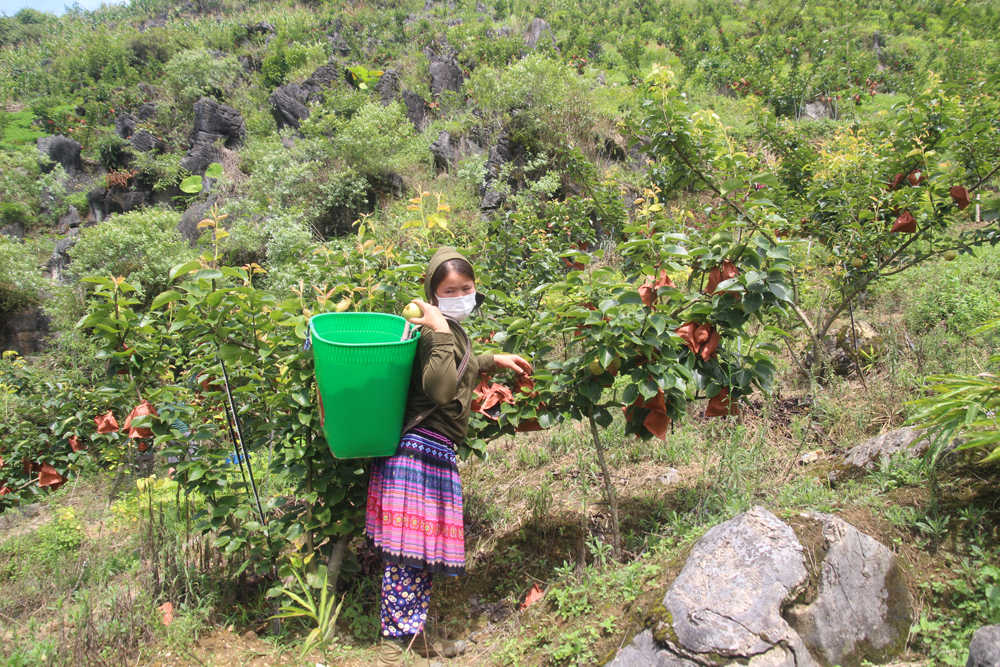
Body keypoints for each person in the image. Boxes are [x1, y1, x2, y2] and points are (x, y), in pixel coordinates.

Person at [368, 248, 532, 667]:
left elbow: (458, 366)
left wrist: (491, 360)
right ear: (432, 294)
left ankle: (414, 635)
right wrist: (439, 328)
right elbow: (440, 389)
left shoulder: (453, 331)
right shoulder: (431, 330)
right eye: (449, 291)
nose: (460, 295)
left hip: (436, 451)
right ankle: (392, 646)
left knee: (420, 554)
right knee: (407, 554)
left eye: (466, 288)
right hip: (415, 451)